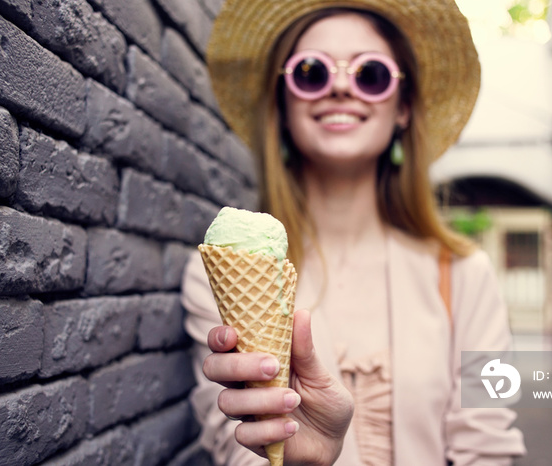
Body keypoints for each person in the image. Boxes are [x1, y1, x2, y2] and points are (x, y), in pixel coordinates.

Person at [181, 0, 527, 464]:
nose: (342, 86)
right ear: (282, 105)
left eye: (371, 74)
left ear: (403, 108)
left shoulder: (468, 275)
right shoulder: (213, 276)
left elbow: (489, 448)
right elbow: (234, 448)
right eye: (311, 71)